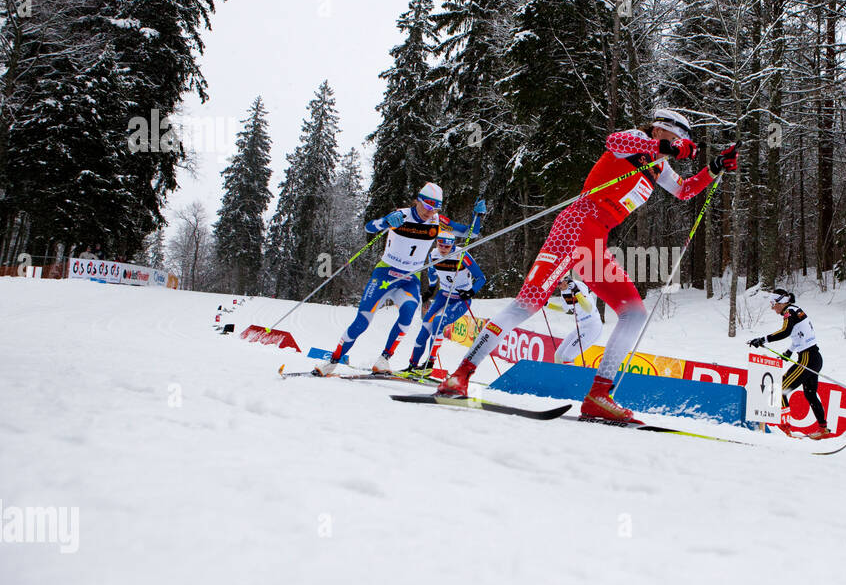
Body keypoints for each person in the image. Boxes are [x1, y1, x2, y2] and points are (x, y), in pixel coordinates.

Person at [437, 108, 739, 422]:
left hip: (594, 242)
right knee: (527, 304)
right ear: (661, 130)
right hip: (574, 225)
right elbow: (613, 141)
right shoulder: (638, 141)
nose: (680, 145)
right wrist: (667, 148)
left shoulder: (658, 167)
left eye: (683, 141)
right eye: (677, 138)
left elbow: (685, 190)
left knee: (633, 313)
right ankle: (460, 375)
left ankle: (599, 395)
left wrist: (715, 167)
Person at [314, 182, 444, 376]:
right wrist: (385, 222)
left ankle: (383, 360)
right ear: (417, 200)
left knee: (408, 314)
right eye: (426, 206)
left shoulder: (437, 221)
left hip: (410, 278)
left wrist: (478, 217)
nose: (429, 212)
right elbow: (369, 227)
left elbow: (467, 232)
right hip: (386, 273)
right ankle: (332, 361)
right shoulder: (401, 215)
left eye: (435, 208)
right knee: (363, 320)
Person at [402, 224, 487, 375]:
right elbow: (432, 273)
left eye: (447, 246)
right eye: (440, 245)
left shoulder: (463, 255)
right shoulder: (433, 255)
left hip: (461, 299)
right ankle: (412, 365)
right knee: (425, 328)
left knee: (438, 321)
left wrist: (471, 292)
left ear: (452, 245)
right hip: (443, 295)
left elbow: (481, 278)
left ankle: (429, 364)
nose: (443, 249)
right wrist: (430, 289)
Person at [747, 288, 830, 439]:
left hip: (807, 358)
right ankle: (823, 429)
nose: (772, 307)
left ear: (781, 301)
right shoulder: (796, 310)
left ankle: (785, 430)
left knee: (779, 389)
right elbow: (798, 335)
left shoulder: (788, 312)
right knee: (810, 394)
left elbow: (785, 331)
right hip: (815, 358)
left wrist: (762, 339)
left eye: (773, 303)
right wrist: (789, 352)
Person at [547, 274, 602, 365]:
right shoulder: (564, 291)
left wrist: (576, 291)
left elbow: (588, 308)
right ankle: (558, 377)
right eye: (556, 284)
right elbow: (565, 309)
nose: (558, 287)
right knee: (558, 355)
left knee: (567, 357)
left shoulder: (578, 285)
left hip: (592, 327)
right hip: (582, 326)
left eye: (559, 283)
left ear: (566, 280)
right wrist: (547, 304)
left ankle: (570, 378)